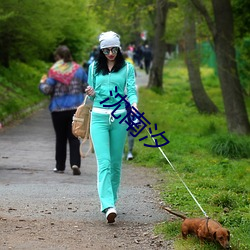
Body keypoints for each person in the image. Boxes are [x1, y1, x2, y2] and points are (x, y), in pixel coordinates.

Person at [85, 31, 138, 223]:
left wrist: (134, 106)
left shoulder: (127, 68)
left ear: (119, 48)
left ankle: (112, 201)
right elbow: (91, 97)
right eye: (106, 50)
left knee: (116, 163)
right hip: (98, 118)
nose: (110, 53)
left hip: (119, 118)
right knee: (104, 163)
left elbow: (131, 91)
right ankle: (107, 205)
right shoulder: (93, 68)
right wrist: (90, 92)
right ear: (101, 50)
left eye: (114, 49)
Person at [39, 45, 88, 175]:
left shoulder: (54, 71)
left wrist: (42, 83)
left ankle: (60, 166)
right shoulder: (79, 70)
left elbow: (47, 90)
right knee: (74, 137)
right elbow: (86, 87)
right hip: (75, 109)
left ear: (58, 57)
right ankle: (75, 163)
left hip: (58, 109)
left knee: (60, 138)